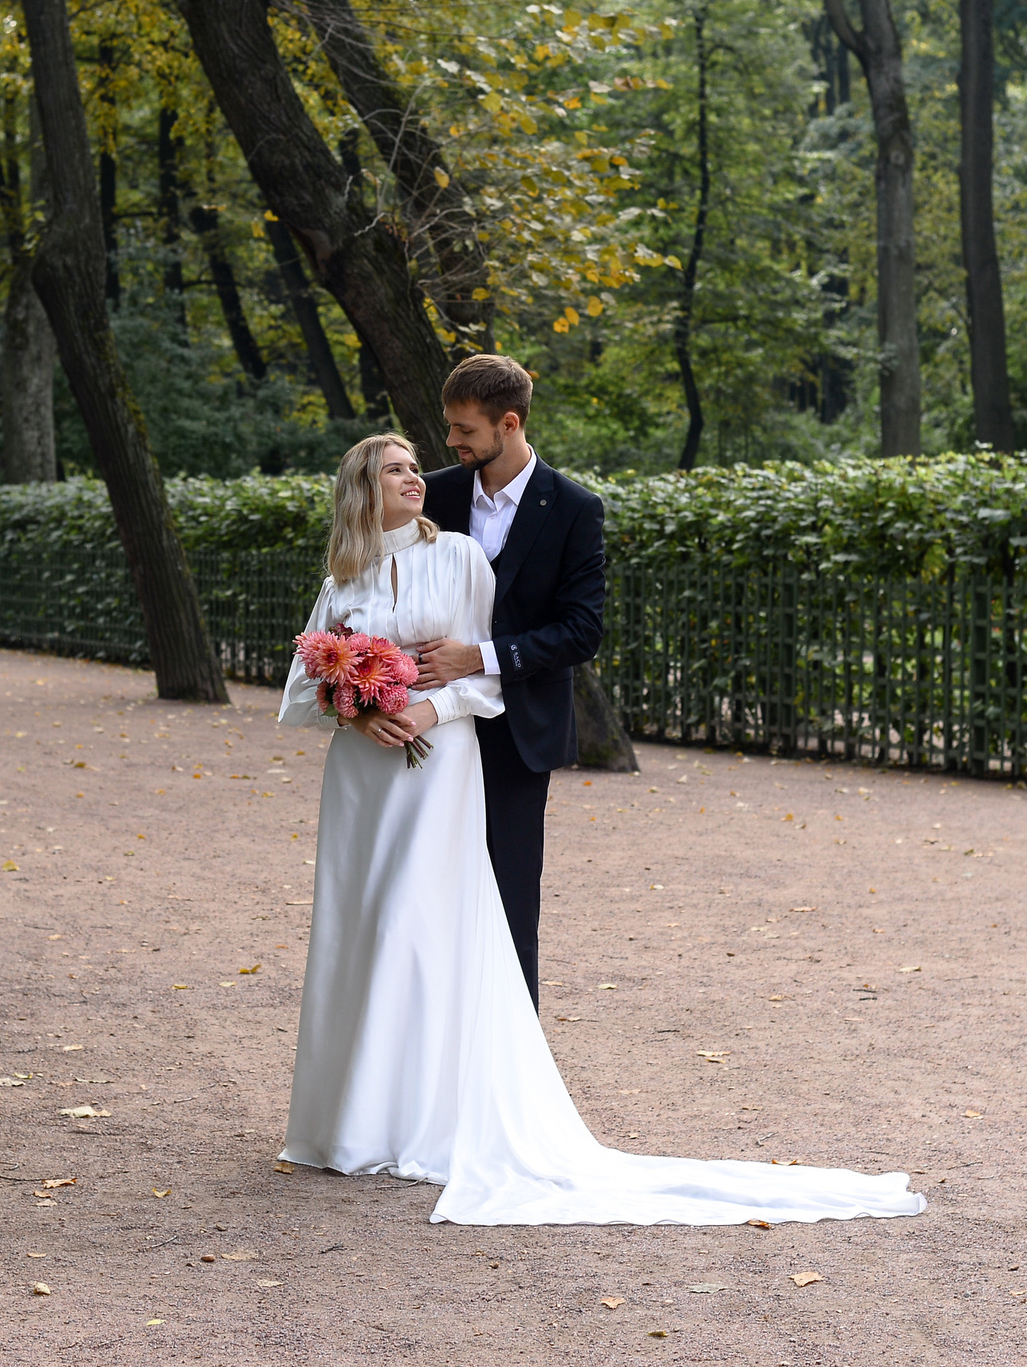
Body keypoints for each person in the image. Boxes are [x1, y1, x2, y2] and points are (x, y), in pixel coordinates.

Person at [276, 431, 924, 1226]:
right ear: (361, 488)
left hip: (435, 767)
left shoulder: (460, 562)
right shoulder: (343, 575)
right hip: (360, 779)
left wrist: (420, 707)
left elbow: (485, 686)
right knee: (359, 926)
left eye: (417, 466)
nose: (416, 477)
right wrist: (355, 709)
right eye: (396, 469)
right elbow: (306, 685)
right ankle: (343, 1121)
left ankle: (417, 1120)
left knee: (418, 928)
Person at [413, 355, 599, 1007]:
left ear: (509, 423)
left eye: (464, 430)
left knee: (511, 898)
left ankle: (513, 1063)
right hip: (433, 723)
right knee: (428, 887)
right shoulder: (432, 495)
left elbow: (582, 631)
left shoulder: (575, 508)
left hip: (520, 732)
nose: (453, 443)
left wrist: (481, 657)